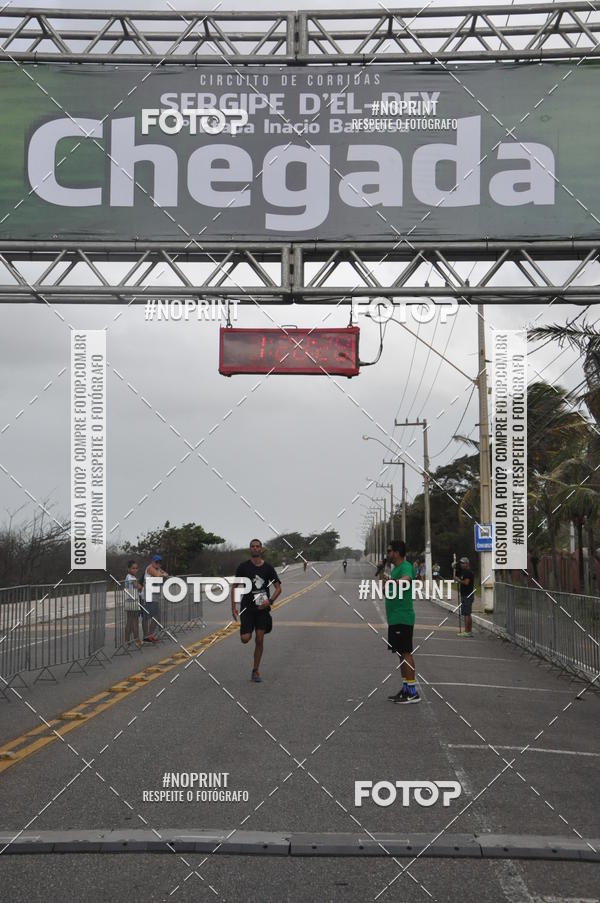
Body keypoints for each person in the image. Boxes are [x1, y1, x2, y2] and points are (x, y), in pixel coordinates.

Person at [231, 539, 281, 683]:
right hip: (247, 608)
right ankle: (251, 628)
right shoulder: (243, 567)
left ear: (261, 549)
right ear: (249, 549)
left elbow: (278, 588)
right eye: (252, 546)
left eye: (257, 546)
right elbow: (234, 586)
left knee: (259, 639)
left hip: (262, 609)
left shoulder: (268, 568)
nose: (255, 548)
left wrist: (270, 601)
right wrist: (233, 606)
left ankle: (255, 670)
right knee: (245, 639)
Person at [385, 540, 420, 704]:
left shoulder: (405, 567)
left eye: (389, 551)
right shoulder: (395, 569)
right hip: (394, 617)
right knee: (400, 653)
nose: (388, 554)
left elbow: (407, 579)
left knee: (406, 652)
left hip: (403, 617)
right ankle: (406, 688)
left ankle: (412, 692)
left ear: (397, 552)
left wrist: (394, 582)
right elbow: (387, 589)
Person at [141, 554, 168, 643]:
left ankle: (149, 635)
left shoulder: (158, 568)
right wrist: (162, 574)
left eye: (160, 562)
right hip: (148, 596)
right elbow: (158, 575)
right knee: (148, 617)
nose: (158, 564)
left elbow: (166, 574)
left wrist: (162, 574)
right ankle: (146, 636)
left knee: (155, 616)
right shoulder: (150, 568)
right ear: (152, 562)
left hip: (154, 596)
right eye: (156, 562)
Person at [124, 560, 142, 648]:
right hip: (132, 601)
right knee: (134, 622)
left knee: (130, 622)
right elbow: (138, 587)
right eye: (133, 568)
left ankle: (127, 640)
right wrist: (141, 585)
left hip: (130, 600)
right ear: (129, 569)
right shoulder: (131, 577)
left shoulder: (130, 576)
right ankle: (136, 639)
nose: (135, 570)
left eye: (136, 568)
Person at [455, 556, 475, 636]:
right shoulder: (463, 571)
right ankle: (468, 631)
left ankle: (467, 631)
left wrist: (458, 580)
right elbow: (457, 574)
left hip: (467, 594)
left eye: (463, 563)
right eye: (461, 563)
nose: (461, 565)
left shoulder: (468, 572)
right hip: (464, 594)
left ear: (467, 564)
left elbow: (466, 583)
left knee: (467, 613)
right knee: (467, 613)